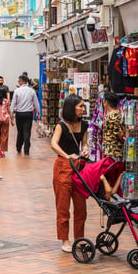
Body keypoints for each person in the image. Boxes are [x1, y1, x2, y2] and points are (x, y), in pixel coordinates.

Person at [50, 94, 89, 253]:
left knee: (81, 207)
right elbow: (53, 143)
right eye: (80, 106)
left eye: (83, 106)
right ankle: (65, 239)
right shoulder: (61, 125)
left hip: (79, 167)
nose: (83, 109)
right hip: (63, 166)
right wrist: (66, 156)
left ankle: (79, 239)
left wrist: (85, 150)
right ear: (71, 107)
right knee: (63, 206)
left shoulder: (84, 124)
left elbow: (84, 143)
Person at [10, 74, 40, 156]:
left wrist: (11, 114)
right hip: (28, 114)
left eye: (18, 81)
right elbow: (36, 103)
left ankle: (18, 147)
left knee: (20, 131)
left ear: (21, 81)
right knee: (27, 132)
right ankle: (26, 150)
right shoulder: (31, 91)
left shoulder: (17, 91)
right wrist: (38, 112)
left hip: (19, 114)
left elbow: (13, 104)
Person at [101, 91, 125, 161]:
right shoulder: (118, 113)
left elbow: (119, 133)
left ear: (106, 102)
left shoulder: (112, 115)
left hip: (114, 151)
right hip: (115, 151)